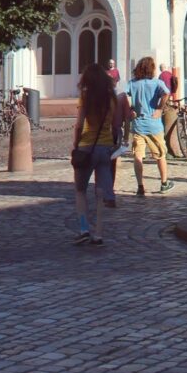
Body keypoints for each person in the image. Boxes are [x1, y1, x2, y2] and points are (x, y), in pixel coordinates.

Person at [68, 65, 124, 246]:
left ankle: (84, 228)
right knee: (101, 193)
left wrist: (76, 144)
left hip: (87, 147)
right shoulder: (111, 98)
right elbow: (116, 125)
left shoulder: (85, 97)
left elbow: (78, 124)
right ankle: (98, 234)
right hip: (105, 148)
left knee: (80, 190)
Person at [123, 57, 174, 196]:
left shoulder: (132, 83)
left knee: (138, 156)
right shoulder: (157, 82)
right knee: (160, 155)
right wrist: (159, 108)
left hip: (138, 124)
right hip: (154, 124)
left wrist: (130, 109)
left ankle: (140, 186)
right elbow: (167, 93)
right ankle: (164, 183)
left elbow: (124, 96)